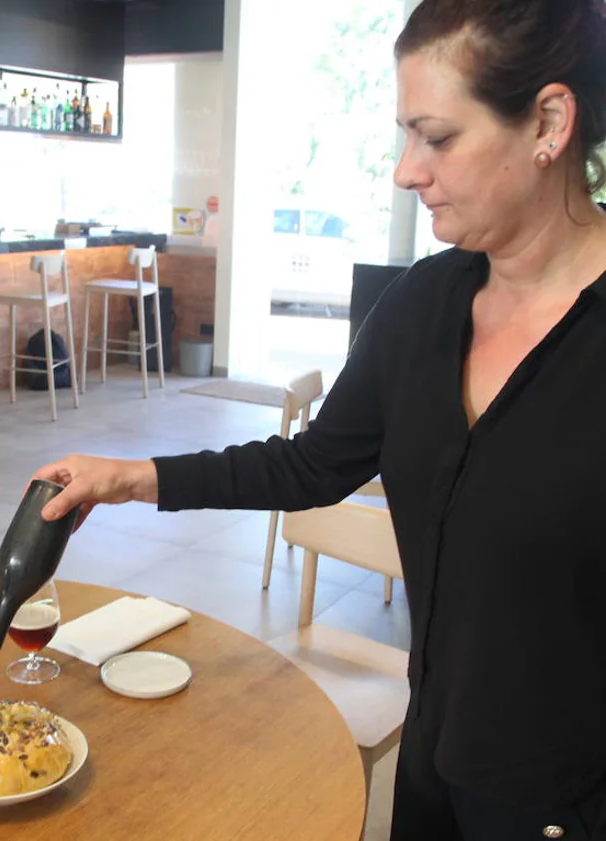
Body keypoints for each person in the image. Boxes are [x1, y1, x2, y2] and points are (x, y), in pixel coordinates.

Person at [31, 0, 606, 838]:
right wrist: (132, 478)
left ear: (548, 122)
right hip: (432, 767)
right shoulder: (422, 305)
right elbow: (313, 465)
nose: (406, 170)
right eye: (403, 135)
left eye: (435, 137)